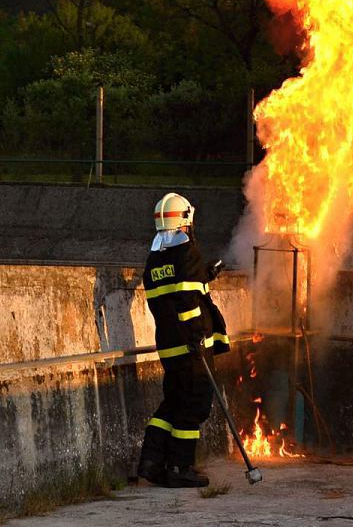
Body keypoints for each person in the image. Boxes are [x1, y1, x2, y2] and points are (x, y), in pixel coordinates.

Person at [134, 192, 229, 488]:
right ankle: (179, 466)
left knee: (174, 403)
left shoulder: (155, 260)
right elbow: (187, 301)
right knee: (194, 405)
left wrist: (205, 276)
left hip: (169, 345)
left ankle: (150, 463)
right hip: (191, 347)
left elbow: (176, 290)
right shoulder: (187, 253)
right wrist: (197, 337)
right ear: (185, 220)